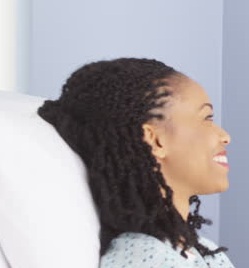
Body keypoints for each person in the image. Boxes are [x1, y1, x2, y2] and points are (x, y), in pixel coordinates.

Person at [37, 58, 234, 268]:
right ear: (155, 140)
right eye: (207, 118)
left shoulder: (202, 251)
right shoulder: (145, 258)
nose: (225, 137)